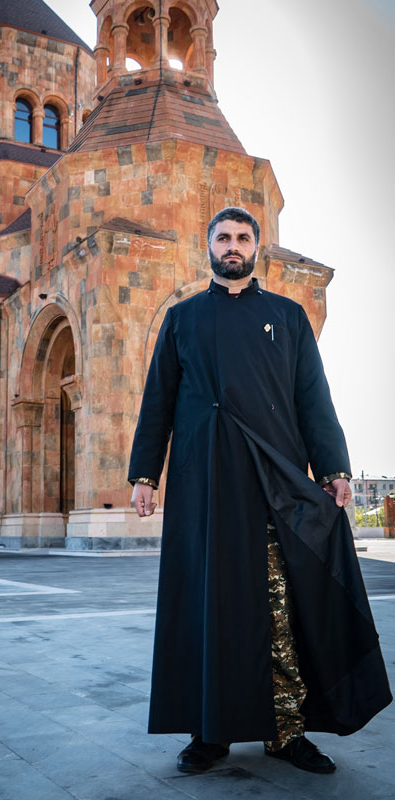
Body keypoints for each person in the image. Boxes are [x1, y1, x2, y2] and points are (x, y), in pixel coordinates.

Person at [128, 207, 392, 775]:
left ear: (257, 247)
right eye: (222, 237)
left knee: (281, 603)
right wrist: (145, 476)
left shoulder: (288, 317)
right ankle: (210, 732)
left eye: (242, 237)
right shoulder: (181, 320)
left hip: (275, 479)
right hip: (204, 483)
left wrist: (334, 469)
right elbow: (158, 404)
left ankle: (287, 733)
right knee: (210, 603)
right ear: (208, 246)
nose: (232, 245)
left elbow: (313, 400)